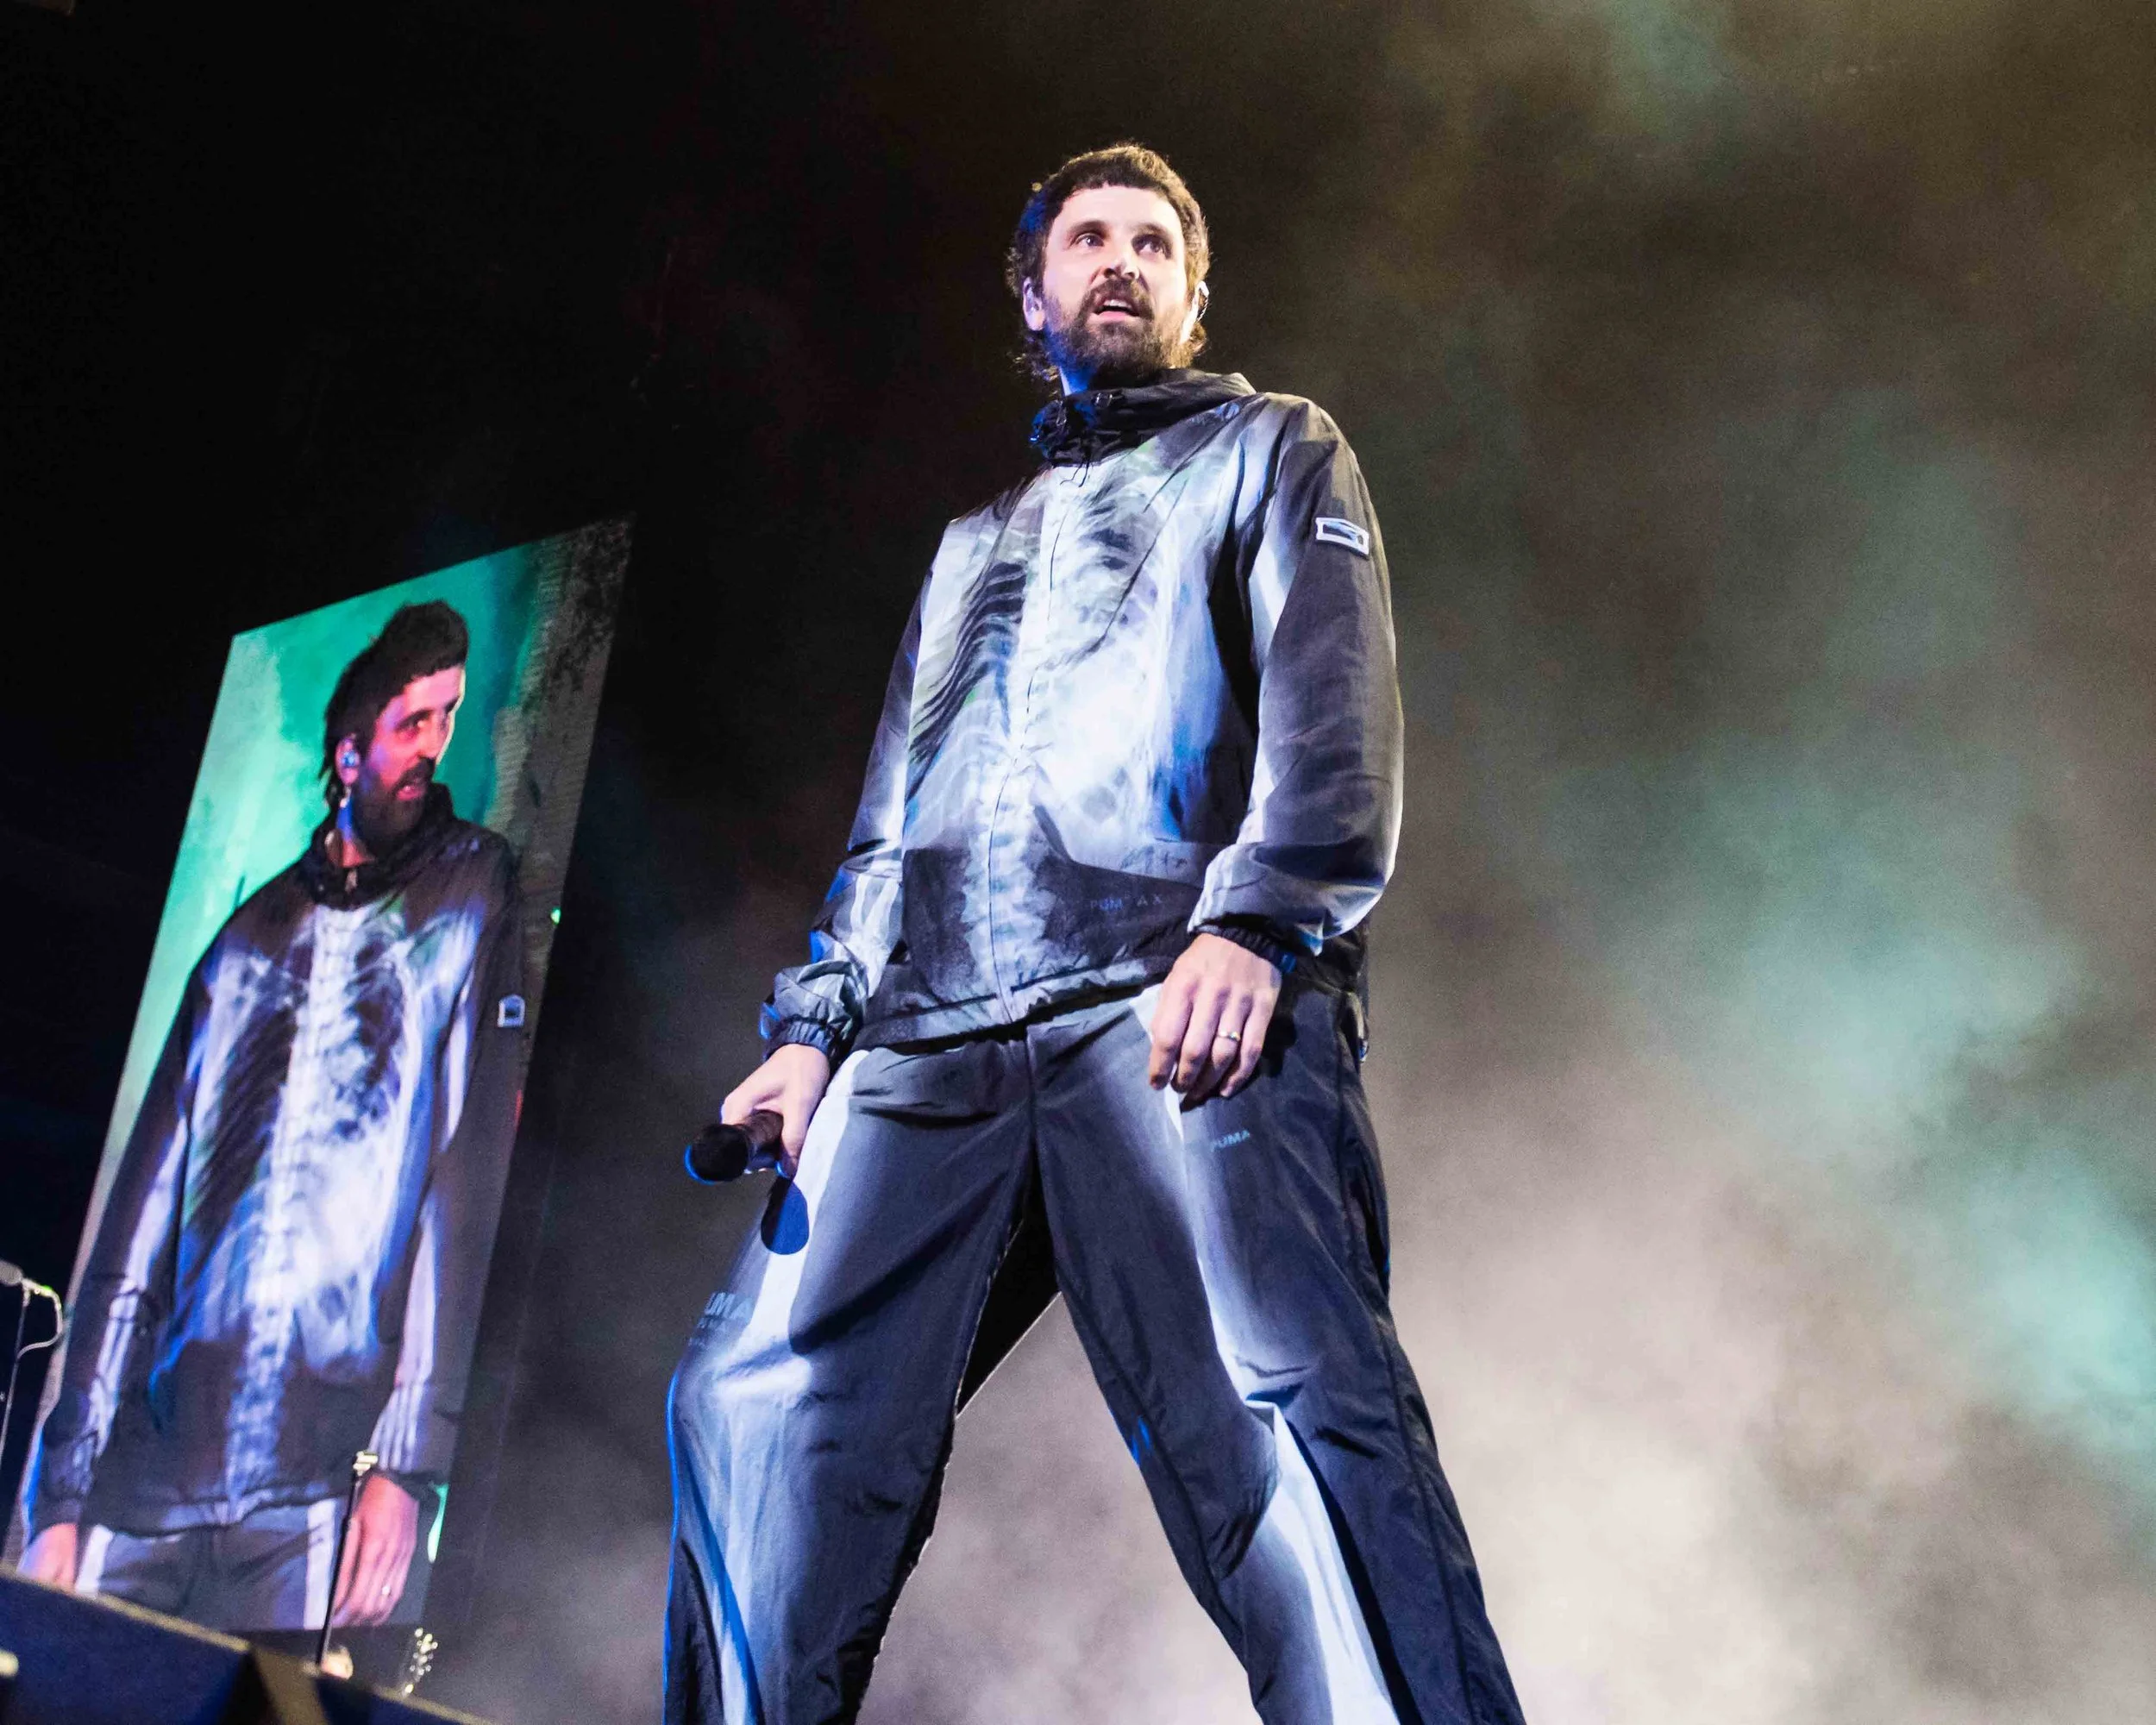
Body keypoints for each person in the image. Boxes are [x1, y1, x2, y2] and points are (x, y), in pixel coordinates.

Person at [666, 145, 1526, 1725]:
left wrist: (1259, 920)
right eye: (1087, 238)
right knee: (751, 1406)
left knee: (1283, 1433)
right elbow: (891, 820)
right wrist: (810, 1035)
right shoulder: (969, 545)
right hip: (935, 1036)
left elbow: (1333, 705)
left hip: (1170, 1003)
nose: (1120, 261)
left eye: (1152, 243)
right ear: (1033, 291)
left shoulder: (1273, 449)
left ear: (1193, 293)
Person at [16, 602, 525, 1634]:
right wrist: (59, 1497)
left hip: (318, 1484)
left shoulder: (472, 889)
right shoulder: (245, 940)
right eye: (413, 722)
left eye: (448, 716)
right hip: (152, 1480)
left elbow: (464, 1176)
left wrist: (408, 1459)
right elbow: (136, 1228)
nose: (435, 745)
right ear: (349, 751)